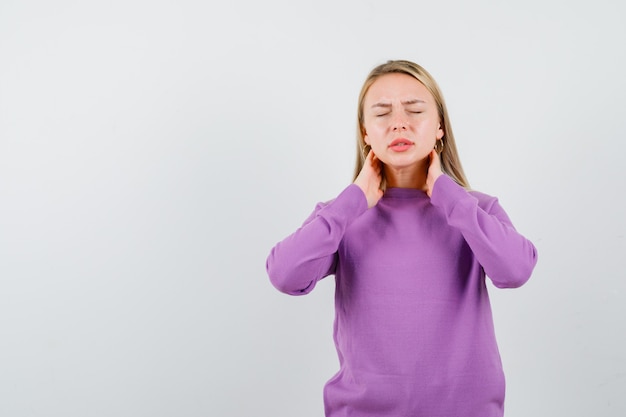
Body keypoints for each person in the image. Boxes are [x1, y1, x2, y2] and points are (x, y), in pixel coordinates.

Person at [266, 59, 538, 417]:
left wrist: (449, 195)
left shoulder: (476, 210)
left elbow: (516, 270)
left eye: (414, 109)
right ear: (365, 132)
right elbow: (285, 276)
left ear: (439, 126)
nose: (399, 122)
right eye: (382, 113)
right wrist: (352, 201)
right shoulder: (341, 216)